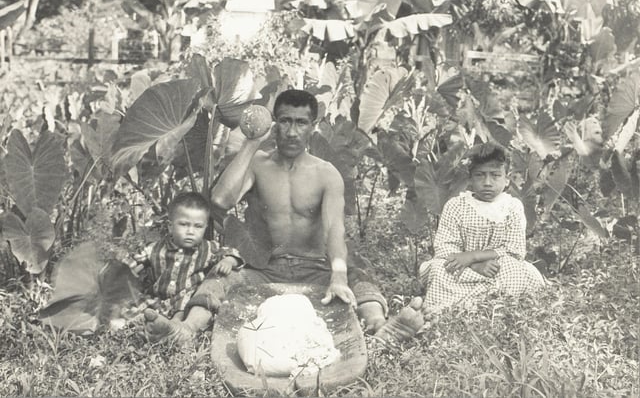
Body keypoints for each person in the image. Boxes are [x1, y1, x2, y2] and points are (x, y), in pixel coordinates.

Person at [143, 90, 424, 343]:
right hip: (264, 268)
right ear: (274, 123)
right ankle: (187, 329)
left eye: (301, 123)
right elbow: (219, 201)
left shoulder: (326, 174)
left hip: (315, 268)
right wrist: (252, 144)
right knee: (217, 280)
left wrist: (337, 276)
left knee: (357, 278)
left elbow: (334, 230)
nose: (292, 131)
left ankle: (381, 326)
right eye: (285, 121)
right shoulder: (257, 164)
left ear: (313, 127)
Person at [419, 142, 545, 313]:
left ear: (506, 178)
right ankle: (448, 310)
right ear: (470, 178)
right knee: (439, 270)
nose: (487, 182)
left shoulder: (512, 206)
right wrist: (473, 264)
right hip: (462, 268)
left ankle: (494, 308)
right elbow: (444, 246)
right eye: (480, 175)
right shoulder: (456, 205)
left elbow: (515, 250)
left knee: (514, 269)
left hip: (497, 267)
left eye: (495, 175)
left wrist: (475, 256)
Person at [121, 192, 243, 322]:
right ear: (170, 226)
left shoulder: (208, 249)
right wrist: (127, 268)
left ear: (205, 227)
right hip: (158, 300)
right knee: (132, 305)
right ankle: (144, 321)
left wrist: (229, 261)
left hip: (186, 301)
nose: (190, 231)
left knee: (189, 303)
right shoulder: (155, 248)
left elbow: (232, 252)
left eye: (198, 226)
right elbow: (131, 262)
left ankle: (175, 325)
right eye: (184, 224)